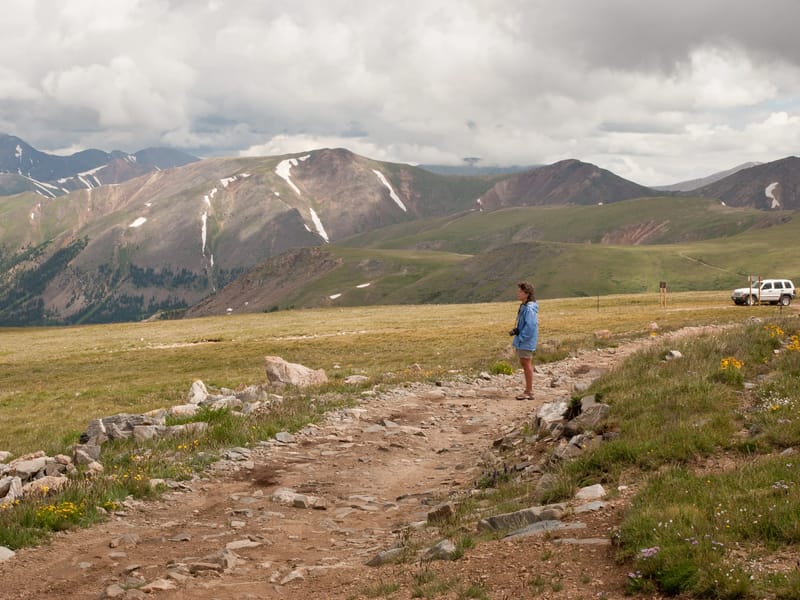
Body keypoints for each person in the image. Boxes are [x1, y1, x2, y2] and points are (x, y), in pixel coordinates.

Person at [510, 281, 538, 400]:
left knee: (526, 363)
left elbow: (531, 326)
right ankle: (528, 390)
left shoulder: (529, 309)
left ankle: (529, 391)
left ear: (527, 294)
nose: (518, 293)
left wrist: (521, 337)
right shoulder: (526, 306)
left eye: (520, 291)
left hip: (526, 341)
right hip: (525, 340)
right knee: (525, 362)